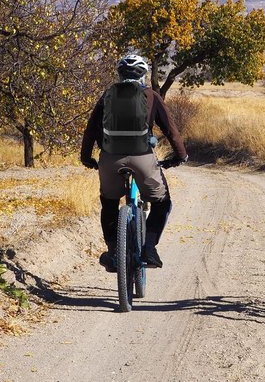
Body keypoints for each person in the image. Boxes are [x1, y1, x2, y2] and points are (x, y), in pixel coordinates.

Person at [80, 54, 188, 271]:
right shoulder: (151, 95)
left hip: (110, 159)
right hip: (143, 158)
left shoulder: (107, 95)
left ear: (120, 74)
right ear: (144, 75)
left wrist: (86, 157)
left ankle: (112, 252)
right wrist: (180, 156)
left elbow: (91, 129)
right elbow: (171, 131)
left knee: (109, 203)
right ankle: (149, 248)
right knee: (162, 202)